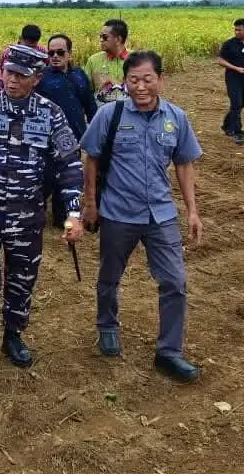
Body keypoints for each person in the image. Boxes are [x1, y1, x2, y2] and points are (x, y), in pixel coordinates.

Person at [0, 46, 84, 387]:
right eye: (9, 72)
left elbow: (69, 165)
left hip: (28, 215)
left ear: (37, 79)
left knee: (22, 281)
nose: (12, 80)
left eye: (21, 75)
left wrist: (74, 212)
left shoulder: (50, 114)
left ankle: (12, 336)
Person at [80, 50, 204, 383]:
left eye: (148, 79)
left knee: (175, 282)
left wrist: (192, 211)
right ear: (124, 82)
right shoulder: (110, 114)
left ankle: (169, 352)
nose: (141, 86)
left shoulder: (176, 118)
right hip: (118, 212)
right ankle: (107, 325)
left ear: (160, 79)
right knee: (109, 276)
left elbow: (184, 164)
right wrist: (89, 203)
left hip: (160, 215)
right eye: (133, 80)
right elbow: (90, 157)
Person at [35, 34, 97, 227]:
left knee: (68, 179)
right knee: (43, 181)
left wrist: (94, 132)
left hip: (73, 141)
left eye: (60, 52)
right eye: (51, 52)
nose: (55, 56)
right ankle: (35, 215)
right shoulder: (41, 78)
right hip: (45, 142)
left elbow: (89, 106)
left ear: (69, 54)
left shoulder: (79, 75)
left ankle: (62, 217)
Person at [217, 18, 244, 145]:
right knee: (236, 104)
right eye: (235, 29)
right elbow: (220, 60)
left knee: (240, 105)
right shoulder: (229, 44)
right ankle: (238, 133)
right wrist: (235, 68)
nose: (236, 32)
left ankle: (226, 125)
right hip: (233, 78)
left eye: (239, 30)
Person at [84, 19, 130, 104]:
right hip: (102, 114)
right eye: (100, 37)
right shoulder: (93, 60)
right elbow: (86, 92)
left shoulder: (137, 60)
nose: (101, 40)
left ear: (118, 39)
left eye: (105, 37)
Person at [0, 24, 45, 93]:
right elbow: (0, 72)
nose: (28, 50)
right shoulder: (8, 53)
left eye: (32, 47)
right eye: (26, 46)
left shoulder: (41, 53)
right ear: (20, 38)